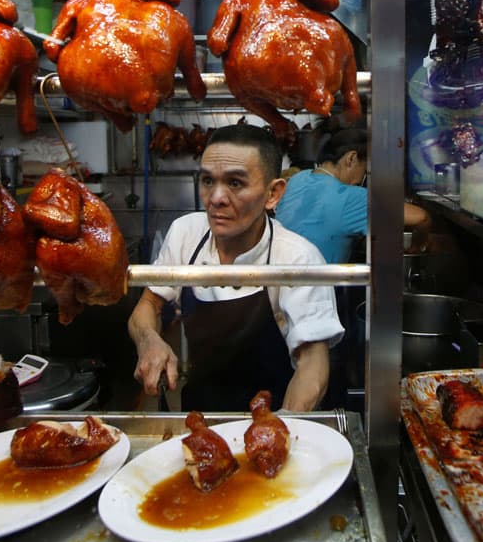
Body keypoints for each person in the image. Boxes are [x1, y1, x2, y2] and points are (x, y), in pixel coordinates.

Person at [128, 123, 344, 412]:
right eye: (207, 181)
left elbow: (313, 367)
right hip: (200, 416)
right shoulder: (186, 233)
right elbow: (147, 306)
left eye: (235, 183)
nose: (216, 198)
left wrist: (278, 430)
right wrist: (149, 340)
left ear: (273, 194)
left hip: (275, 416)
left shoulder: (297, 258)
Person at [276, 125, 432, 264]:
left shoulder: (298, 179)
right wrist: (418, 245)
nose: (361, 179)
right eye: (365, 170)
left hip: (276, 284)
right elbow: (422, 218)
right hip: (315, 291)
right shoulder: (350, 196)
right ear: (351, 158)